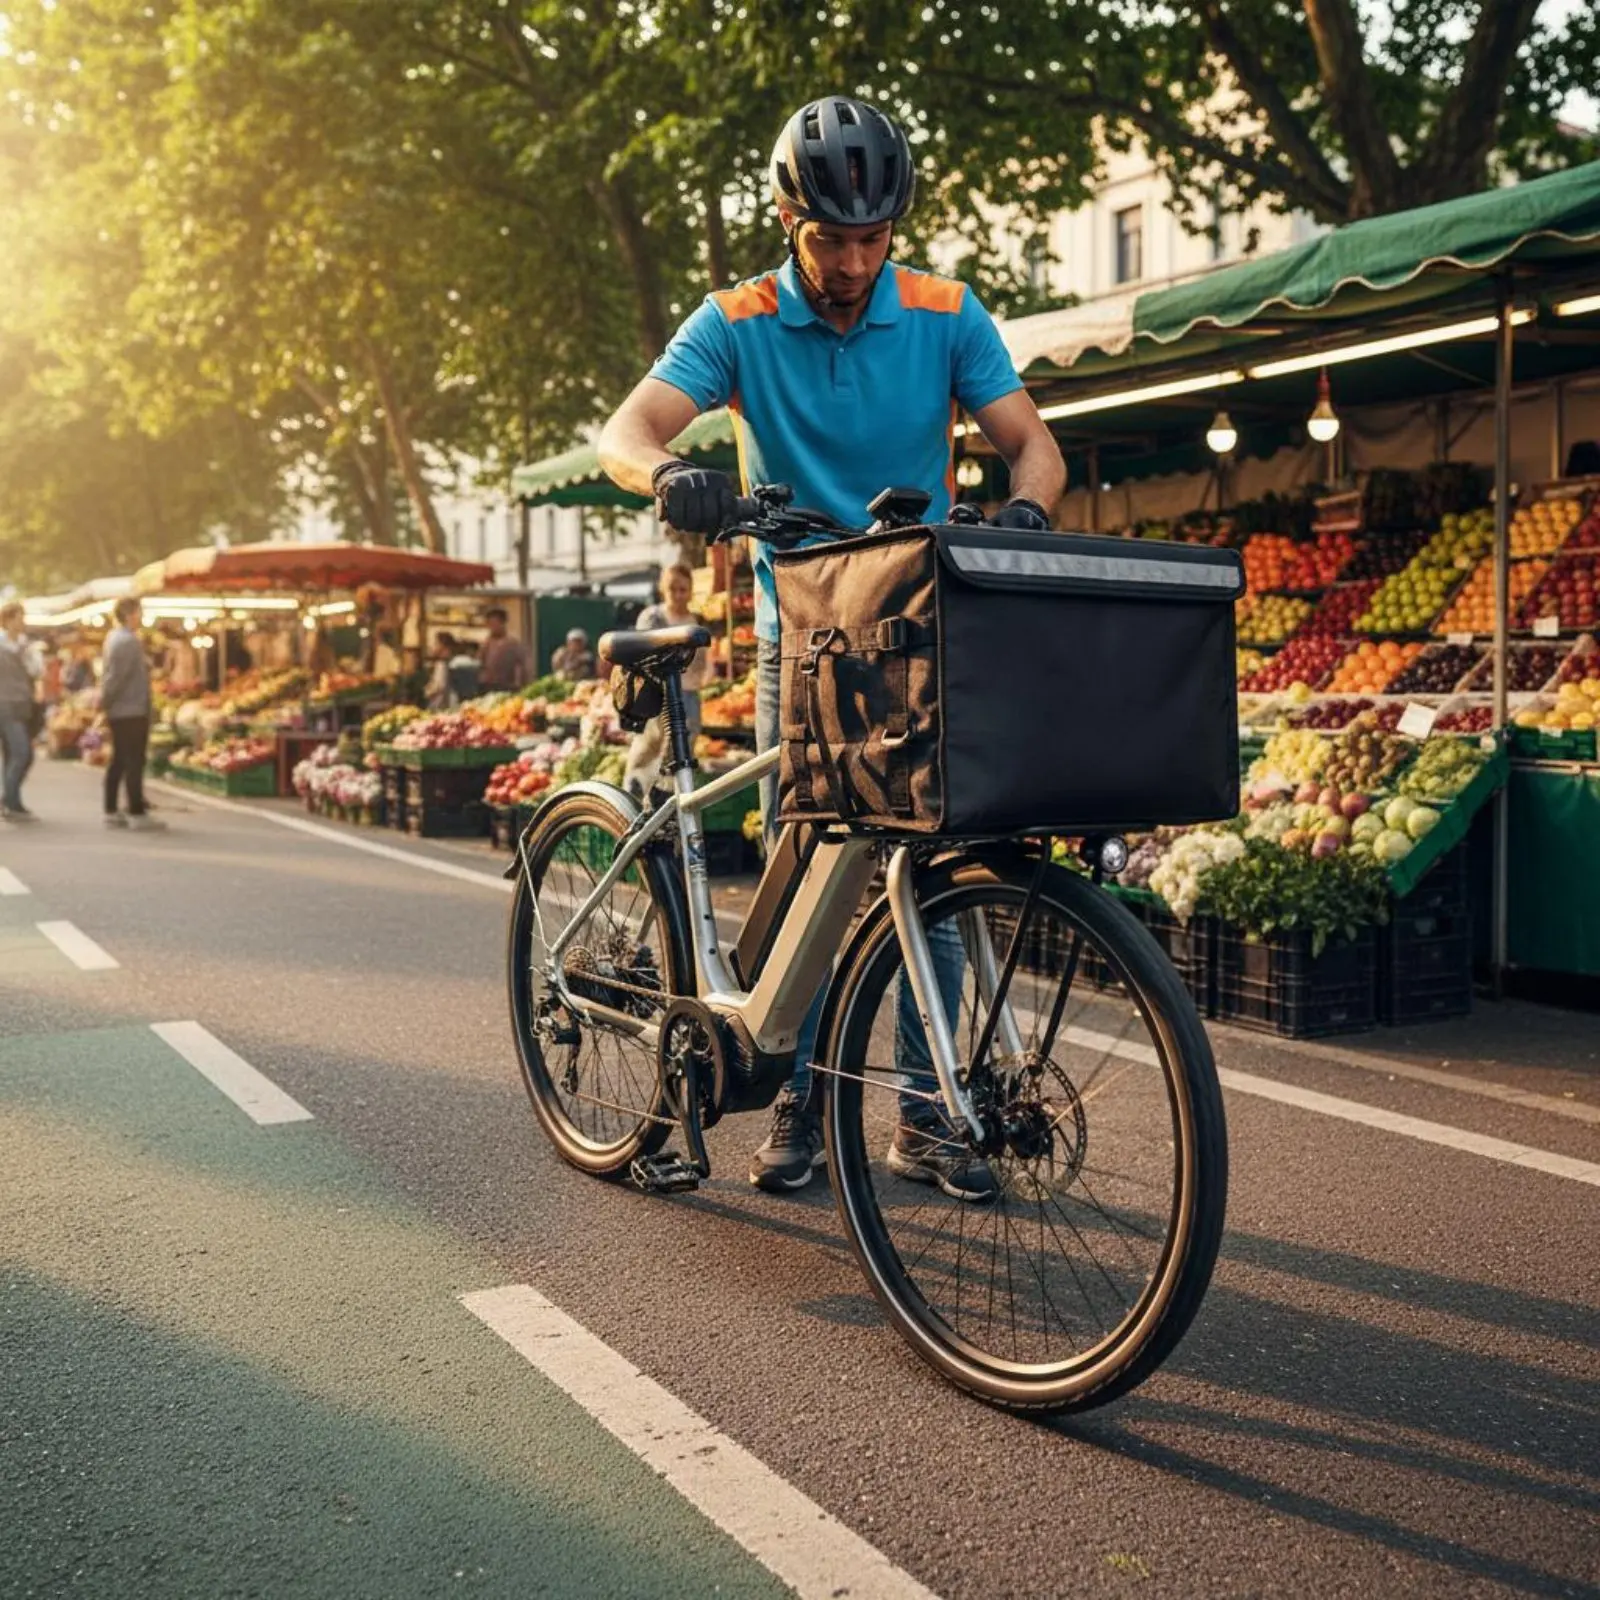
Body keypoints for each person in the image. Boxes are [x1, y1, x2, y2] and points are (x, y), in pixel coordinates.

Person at [599, 96, 1064, 1196]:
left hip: (919, 624)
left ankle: (925, 1113)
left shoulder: (948, 312)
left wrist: (1028, 510)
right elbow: (625, 430)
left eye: (872, 238)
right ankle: (799, 1098)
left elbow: (1031, 444)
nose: (854, 261)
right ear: (785, 217)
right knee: (807, 866)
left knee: (928, 865)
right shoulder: (737, 318)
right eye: (829, 239)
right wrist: (669, 473)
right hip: (799, 633)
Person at [621, 564, 709, 796]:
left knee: (679, 761)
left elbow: (702, 663)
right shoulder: (653, 618)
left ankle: (671, 813)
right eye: (673, 589)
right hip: (656, 701)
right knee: (648, 754)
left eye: (683, 589)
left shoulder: (697, 620)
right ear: (663, 588)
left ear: (690, 590)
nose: (679, 595)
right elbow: (640, 660)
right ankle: (636, 806)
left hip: (689, 699)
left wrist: (704, 676)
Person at [101, 596, 165, 832]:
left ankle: (111, 808)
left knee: (119, 759)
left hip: (123, 708)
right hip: (130, 708)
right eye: (140, 612)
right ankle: (136, 811)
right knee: (133, 759)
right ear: (130, 614)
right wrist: (105, 703)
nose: (142, 616)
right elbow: (115, 678)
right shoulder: (127, 641)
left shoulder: (114, 638)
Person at [0, 601, 43, 822]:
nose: (22, 622)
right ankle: (11, 803)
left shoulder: (26, 646)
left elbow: (37, 671)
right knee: (22, 753)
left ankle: (11, 799)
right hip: (5, 706)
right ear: (7, 620)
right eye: (18, 617)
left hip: (23, 705)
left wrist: (28, 656)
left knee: (13, 755)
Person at [478, 606, 532, 692]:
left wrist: (520, 684)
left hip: (508, 687)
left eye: (494, 623)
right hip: (488, 687)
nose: (492, 627)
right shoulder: (486, 643)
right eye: (490, 624)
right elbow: (481, 663)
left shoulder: (513, 643)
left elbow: (523, 666)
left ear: (503, 623)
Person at [425, 632, 459, 709]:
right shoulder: (447, 662)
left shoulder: (442, 664)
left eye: (435, 643)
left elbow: (438, 686)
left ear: (443, 646)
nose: (432, 647)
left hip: (439, 705)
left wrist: (426, 692)